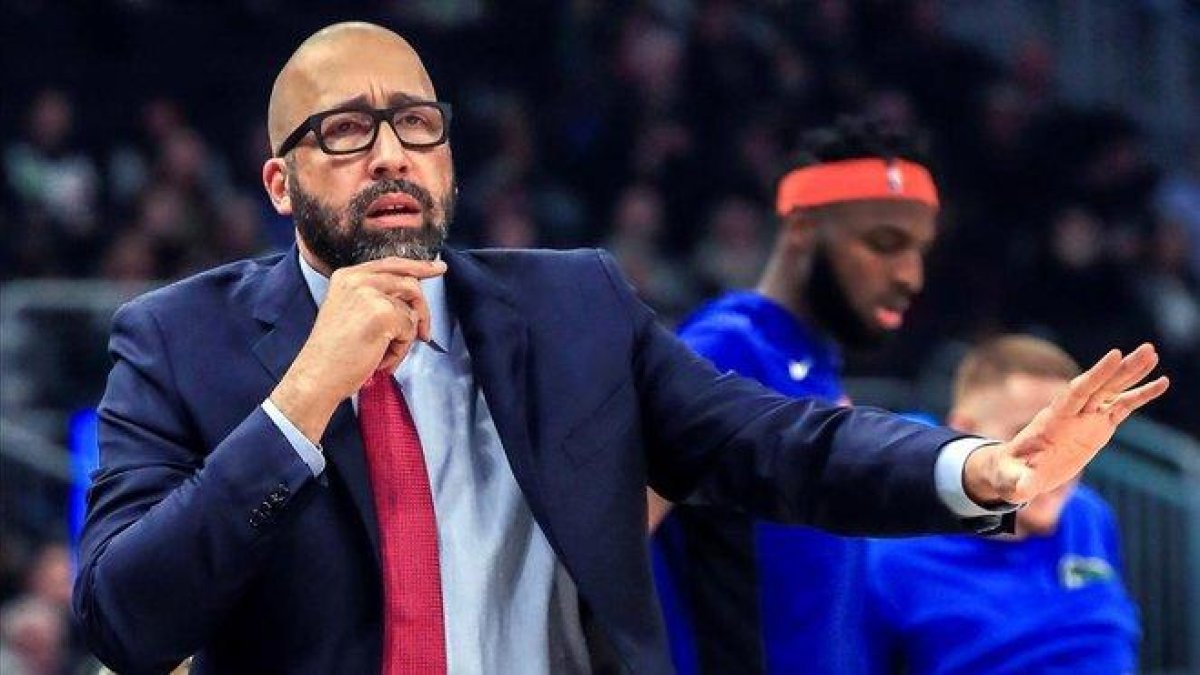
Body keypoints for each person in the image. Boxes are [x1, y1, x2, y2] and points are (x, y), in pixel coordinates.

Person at [72, 22, 1168, 675]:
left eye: (417, 123)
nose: (392, 153)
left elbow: (773, 442)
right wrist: (304, 396)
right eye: (346, 132)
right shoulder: (178, 341)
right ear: (281, 183)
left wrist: (983, 469)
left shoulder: (574, 307)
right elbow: (125, 619)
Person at [650, 118, 946, 674]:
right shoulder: (722, 350)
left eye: (919, 250)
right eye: (884, 244)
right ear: (803, 228)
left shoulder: (817, 366)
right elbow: (617, 537)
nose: (911, 276)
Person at [862, 335, 1140, 674]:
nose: (1059, 462)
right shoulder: (889, 557)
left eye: (1071, 436)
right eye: (1031, 436)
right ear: (963, 432)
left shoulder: (1088, 513)